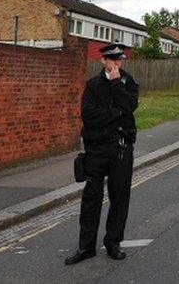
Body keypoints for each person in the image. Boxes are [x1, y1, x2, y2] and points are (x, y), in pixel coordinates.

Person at [65, 43, 138, 265]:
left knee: (119, 197)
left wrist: (117, 85)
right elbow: (88, 116)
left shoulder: (128, 82)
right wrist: (116, 113)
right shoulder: (93, 85)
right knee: (90, 199)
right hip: (96, 149)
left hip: (121, 148)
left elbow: (130, 106)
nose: (116, 63)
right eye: (112, 60)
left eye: (119, 60)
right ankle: (86, 247)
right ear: (103, 61)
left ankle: (113, 242)